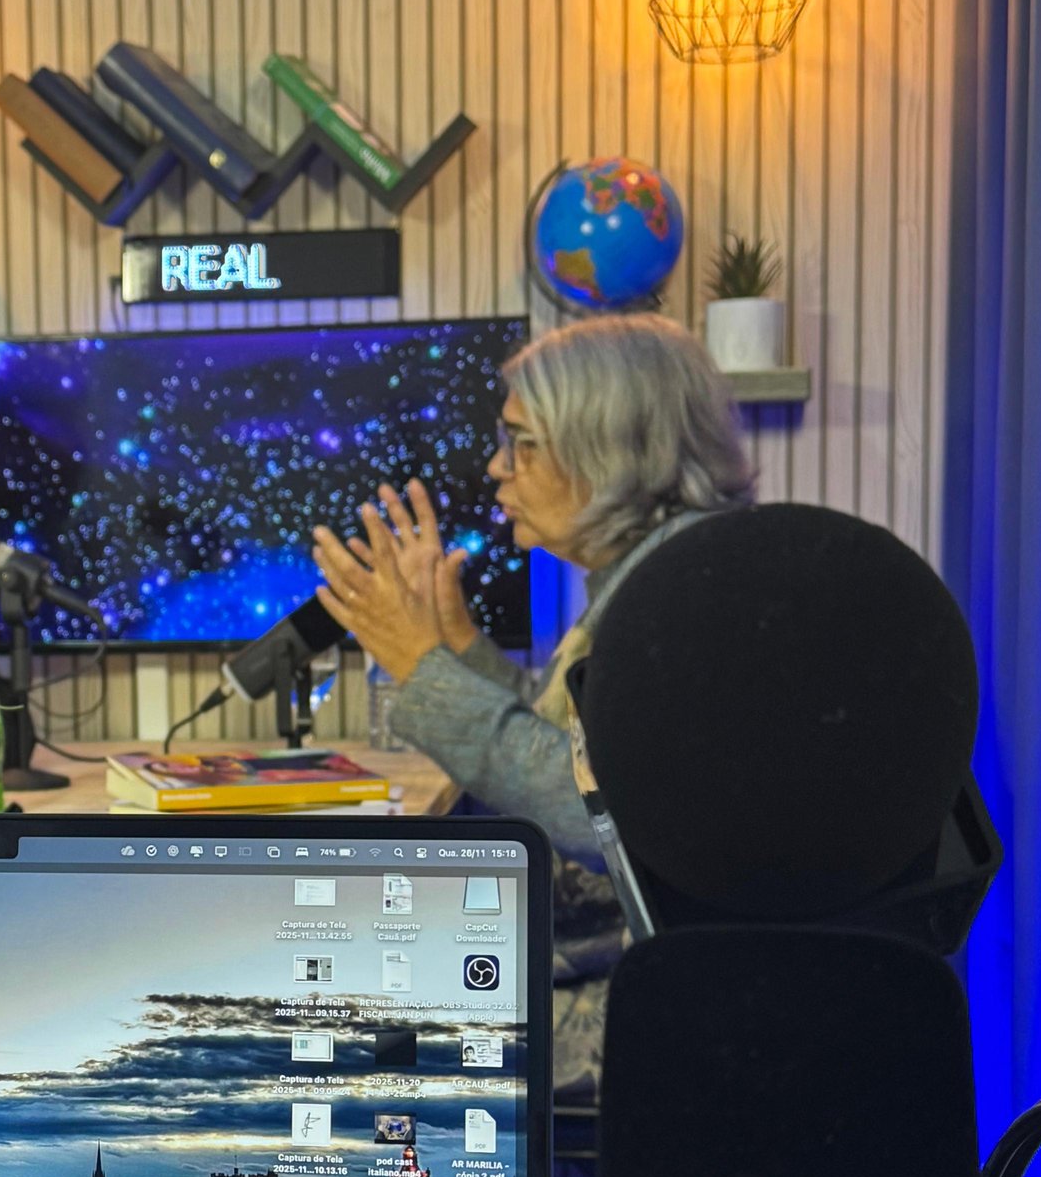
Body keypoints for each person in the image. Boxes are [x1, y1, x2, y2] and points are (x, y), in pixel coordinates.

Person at [311, 311, 755, 1094]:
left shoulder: (681, 603)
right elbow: (575, 740)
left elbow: (607, 813)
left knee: (327, 1020)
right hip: (608, 965)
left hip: (627, 997)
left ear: (607, 449)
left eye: (522, 444)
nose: (496, 467)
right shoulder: (661, 572)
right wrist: (455, 645)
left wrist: (420, 667)